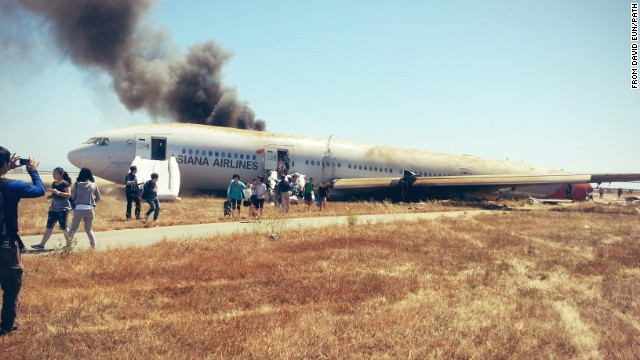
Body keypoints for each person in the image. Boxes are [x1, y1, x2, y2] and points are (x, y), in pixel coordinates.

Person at [0, 148, 45, 336]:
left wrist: (4, 168)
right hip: (5, 244)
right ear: (6, 163)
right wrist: (32, 170)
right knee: (12, 286)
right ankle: (7, 326)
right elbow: (40, 190)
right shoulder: (11, 186)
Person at [32, 167, 72, 250]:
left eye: (55, 173)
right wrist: (51, 196)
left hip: (63, 208)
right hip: (54, 208)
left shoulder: (65, 184)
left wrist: (57, 192)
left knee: (64, 227)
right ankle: (41, 245)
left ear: (61, 174)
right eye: (53, 173)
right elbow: (55, 194)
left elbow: (68, 195)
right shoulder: (54, 183)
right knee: (49, 226)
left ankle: (69, 245)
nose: (53, 175)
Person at [68, 167, 102, 249]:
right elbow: (99, 197)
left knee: (73, 229)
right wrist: (93, 203)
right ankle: (93, 246)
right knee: (89, 229)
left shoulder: (76, 184)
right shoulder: (94, 185)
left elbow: (72, 197)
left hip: (79, 208)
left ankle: (68, 246)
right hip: (90, 209)